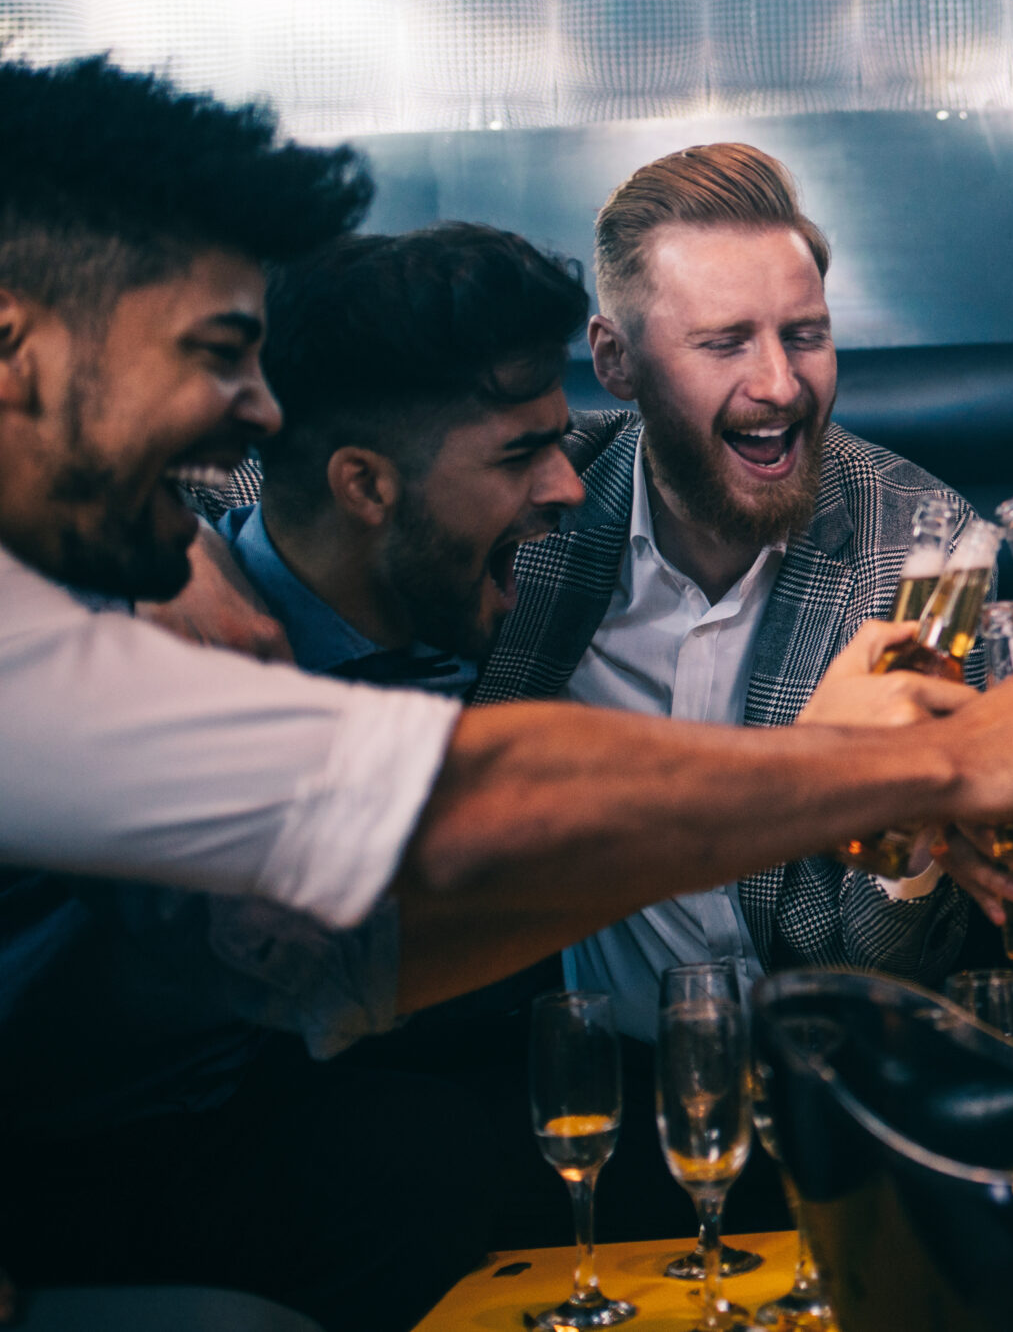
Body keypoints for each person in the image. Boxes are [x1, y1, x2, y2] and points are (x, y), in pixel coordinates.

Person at [0, 53, 1013, 1017]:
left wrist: (173, 549)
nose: (257, 406)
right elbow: (452, 805)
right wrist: (906, 763)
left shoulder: (922, 550)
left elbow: (357, 971)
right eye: (211, 353)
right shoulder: (62, 630)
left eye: (805, 335)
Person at [0, 222, 594, 1330]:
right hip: (86, 1160)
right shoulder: (126, 654)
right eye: (523, 456)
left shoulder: (438, 588)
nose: (567, 486)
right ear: (364, 486)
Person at [471, 142, 981, 1040]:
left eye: (805, 334)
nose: (781, 384)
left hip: (817, 1086)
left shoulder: (916, 549)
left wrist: (907, 825)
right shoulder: (535, 503)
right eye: (725, 342)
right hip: (578, 1088)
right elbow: (277, 483)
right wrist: (204, 560)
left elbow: (893, 974)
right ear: (617, 359)